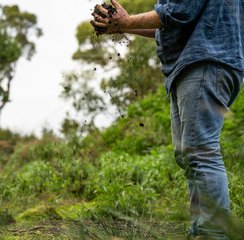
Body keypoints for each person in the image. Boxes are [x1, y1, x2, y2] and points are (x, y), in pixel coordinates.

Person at [91, 0, 244, 239]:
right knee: (189, 154)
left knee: (200, 151)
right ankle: (202, 230)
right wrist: (123, 25)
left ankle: (214, 232)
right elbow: (174, 22)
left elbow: (177, 11)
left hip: (205, 61)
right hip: (198, 62)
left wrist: (127, 22)